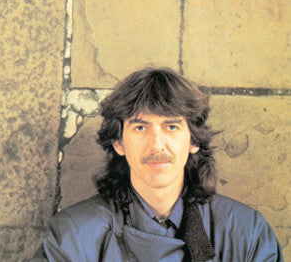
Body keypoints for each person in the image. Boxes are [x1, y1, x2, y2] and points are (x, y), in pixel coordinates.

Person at [32, 67, 282, 261]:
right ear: (118, 143)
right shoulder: (74, 236)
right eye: (140, 128)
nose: (157, 145)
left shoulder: (247, 232)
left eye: (171, 126)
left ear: (194, 140)